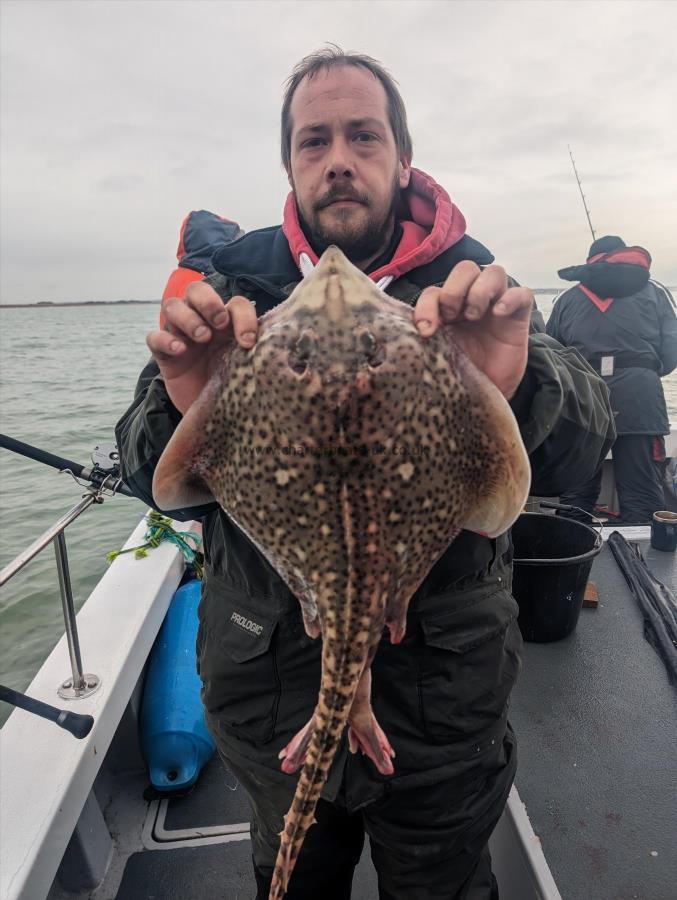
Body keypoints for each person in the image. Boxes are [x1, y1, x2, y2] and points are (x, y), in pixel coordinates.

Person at [116, 48, 614, 899]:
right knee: (294, 870)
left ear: (401, 156)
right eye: (314, 141)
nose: (338, 158)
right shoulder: (230, 284)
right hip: (267, 688)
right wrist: (186, 407)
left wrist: (513, 382)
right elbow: (150, 474)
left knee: (442, 882)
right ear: (289, 162)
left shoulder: (472, 285)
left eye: (363, 136)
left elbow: (577, 448)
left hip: (443, 708)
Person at [547, 235, 677, 524]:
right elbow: (671, 351)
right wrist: (639, 372)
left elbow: (550, 358)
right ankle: (642, 562)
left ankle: (571, 554)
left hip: (583, 400)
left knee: (576, 494)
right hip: (639, 398)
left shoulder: (566, 299)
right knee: (642, 493)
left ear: (590, 261)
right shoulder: (654, 290)